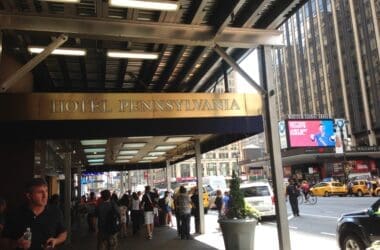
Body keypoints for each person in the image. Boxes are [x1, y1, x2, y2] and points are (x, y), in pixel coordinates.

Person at [1, 178, 67, 249]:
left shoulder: (55, 211)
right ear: (29, 196)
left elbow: (63, 233)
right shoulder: (15, 214)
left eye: (46, 191)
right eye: (40, 192)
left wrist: (56, 240)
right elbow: (4, 242)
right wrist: (17, 243)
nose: (45, 196)